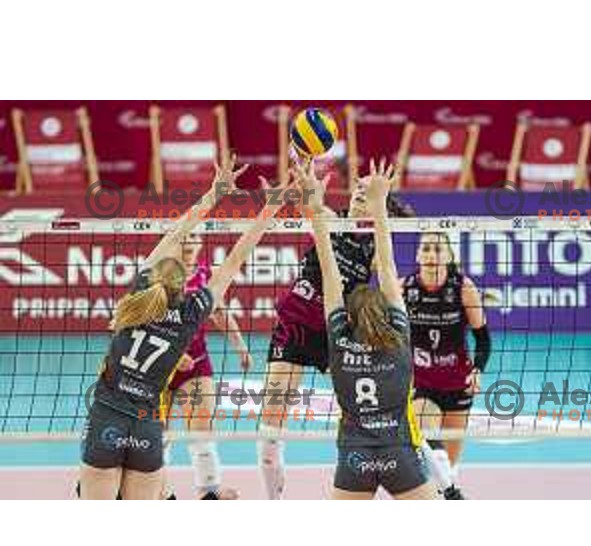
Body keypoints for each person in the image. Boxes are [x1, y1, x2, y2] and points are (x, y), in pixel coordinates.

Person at [79, 154, 281, 499]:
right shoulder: (192, 313)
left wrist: (214, 193)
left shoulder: (139, 293)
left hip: (107, 417)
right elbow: (236, 258)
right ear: (183, 284)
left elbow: (177, 231)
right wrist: (271, 208)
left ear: (155, 275)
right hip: (146, 425)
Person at [297, 158, 437, 500]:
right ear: (387, 314)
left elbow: (331, 274)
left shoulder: (340, 341)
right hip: (399, 452)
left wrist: (314, 207)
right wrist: (379, 207)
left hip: (354, 456)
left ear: (347, 317)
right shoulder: (399, 337)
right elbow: (388, 269)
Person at [162, 233, 253, 500]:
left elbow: (219, 313)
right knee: (157, 432)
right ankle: (157, 488)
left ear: (200, 243)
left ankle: (208, 490)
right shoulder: (160, 275)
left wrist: (240, 346)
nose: (189, 240)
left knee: (202, 426)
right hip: (159, 365)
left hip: (197, 364)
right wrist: (174, 355)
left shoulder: (205, 275)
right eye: (184, 235)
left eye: (194, 235)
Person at [400, 232, 490, 499]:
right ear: (417, 256)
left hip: (457, 384)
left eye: (438, 249)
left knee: (449, 469)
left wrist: (478, 369)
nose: (431, 255)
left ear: (448, 257)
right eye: (425, 249)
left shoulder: (463, 288)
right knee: (427, 440)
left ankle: (446, 496)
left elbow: (482, 339)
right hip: (422, 384)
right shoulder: (404, 288)